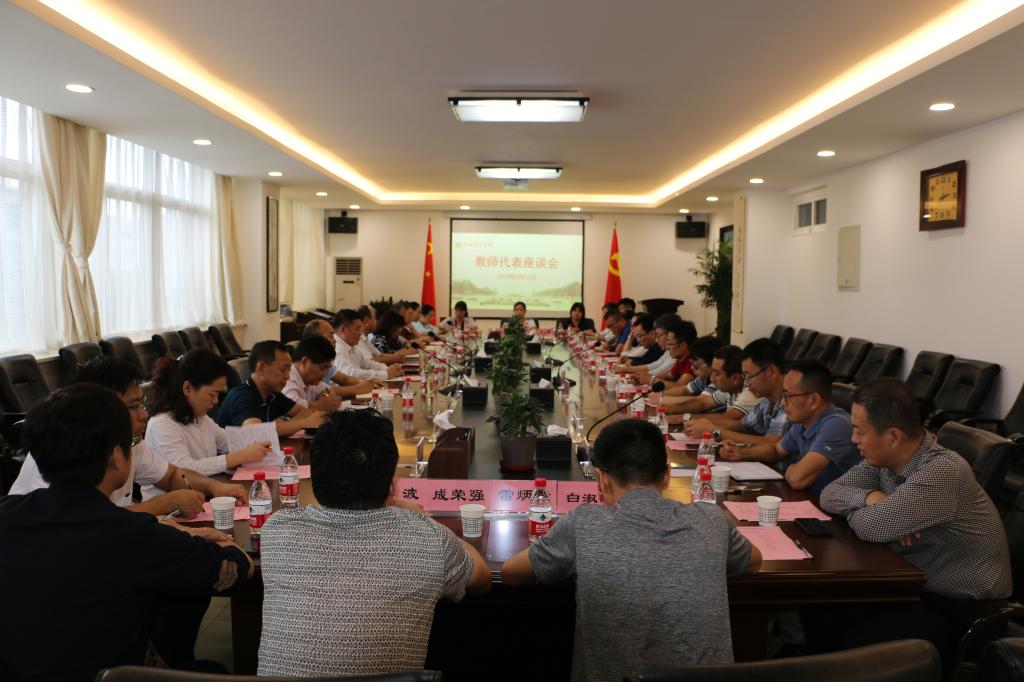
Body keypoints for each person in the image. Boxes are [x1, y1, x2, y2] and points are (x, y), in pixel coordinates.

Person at [0, 384, 253, 680]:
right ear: (116, 456)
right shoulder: (133, 535)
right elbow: (240, 566)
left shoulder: (7, 513)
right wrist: (196, 536)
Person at [500, 419, 761, 682]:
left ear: (602, 479)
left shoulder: (583, 523)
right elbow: (753, 561)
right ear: (667, 475)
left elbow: (511, 572)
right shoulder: (712, 519)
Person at [258, 409, 491, 676]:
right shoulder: (430, 539)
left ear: (314, 477)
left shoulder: (277, 531)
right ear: (391, 484)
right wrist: (423, 520)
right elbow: (482, 578)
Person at [809, 378, 1012, 659]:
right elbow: (829, 494)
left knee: (851, 637)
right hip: (915, 587)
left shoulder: (942, 471)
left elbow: (872, 527)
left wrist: (880, 517)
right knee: (822, 605)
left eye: (859, 431)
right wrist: (872, 498)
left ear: (893, 436)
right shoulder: (883, 460)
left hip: (961, 609)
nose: (853, 439)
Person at [10, 356, 248, 515]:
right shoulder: (60, 452)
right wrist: (163, 504)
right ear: (98, 406)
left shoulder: (130, 441)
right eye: (133, 407)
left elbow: (171, 475)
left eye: (142, 404)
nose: (144, 415)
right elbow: (83, 522)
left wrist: (215, 487)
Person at [719, 359, 861, 494]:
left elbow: (797, 479)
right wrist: (741, 452)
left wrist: (792, 469)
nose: (782, 403)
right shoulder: (804, 422)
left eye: (788, 396)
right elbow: (776, 450)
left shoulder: (837, 424)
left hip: (834, 509)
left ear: (814, 400)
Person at [147, 349, 274, 475]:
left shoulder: (199, 417)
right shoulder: (162, 424)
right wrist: (239, 456)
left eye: (218, 394)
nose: (216, 401)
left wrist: (257, 445)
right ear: (187, 388)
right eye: (212, 394)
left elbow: (228, 442)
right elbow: (184, 470)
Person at [215, 340, 327, 436]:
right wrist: (303, 423)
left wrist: (279, 427)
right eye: (283, 369)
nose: (287, 376)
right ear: (261, 367)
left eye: (289, 370)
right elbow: (254, 432)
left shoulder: (272, 394)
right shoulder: (242, 395)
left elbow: (304, 412)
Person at [686, 337, 787, 443]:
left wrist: (714, 432)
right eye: (745, 376)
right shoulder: (767, 400)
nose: (746, 383)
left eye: (749, 376)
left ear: (770, 371)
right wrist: (704, 425)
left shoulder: (789, 400)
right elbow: (743, 425)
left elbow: (771, 444)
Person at [665, 344, 759, 421]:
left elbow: (726, 418)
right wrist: (671, 409)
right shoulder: (728, 387)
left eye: (717, 373)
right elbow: (702, 403)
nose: (712, 379)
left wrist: (683, 418)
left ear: (735, 379)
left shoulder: (750, 391)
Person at [285, 335, 375, 408]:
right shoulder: (288, 380)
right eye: (322, 368)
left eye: (327, 369)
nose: (325, 374)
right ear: (305, 362)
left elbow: (327, 390)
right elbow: (294, 408)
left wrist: (329, 397)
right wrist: (320, 405)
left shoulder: (310, 379)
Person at [303, 317, 386, 390]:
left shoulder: (325, 359)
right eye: (331, 336)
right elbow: (325, 390)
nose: (335, 340)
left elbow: (344, 379)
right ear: (316, 339)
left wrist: (366, 383)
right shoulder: (311, 363)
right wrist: (358, 388)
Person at [333, 309, 403, 380]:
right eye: (357, 329)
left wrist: (388, 369)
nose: (360, 333)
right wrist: (386, 374)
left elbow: (367, 364)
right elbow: (350, 373)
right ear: (343, 330)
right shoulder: (337, 348)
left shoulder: (350, 346)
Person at [657, 319, 699, 394]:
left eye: (670, 343)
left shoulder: (693, 361)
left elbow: (679, 386)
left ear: (683, 346)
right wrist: (647, 377)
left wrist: (650, 380)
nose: (667, 347)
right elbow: (669, 376)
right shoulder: (681, 358)